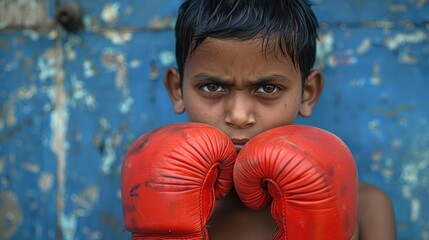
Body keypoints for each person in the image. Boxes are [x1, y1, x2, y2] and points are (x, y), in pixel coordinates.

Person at [161, 0, 397, 239]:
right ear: (177, 90)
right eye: (212, 87)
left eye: (268, 88)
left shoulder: (365, 208)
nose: (239, 116)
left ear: (308, 94)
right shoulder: (159, 202)